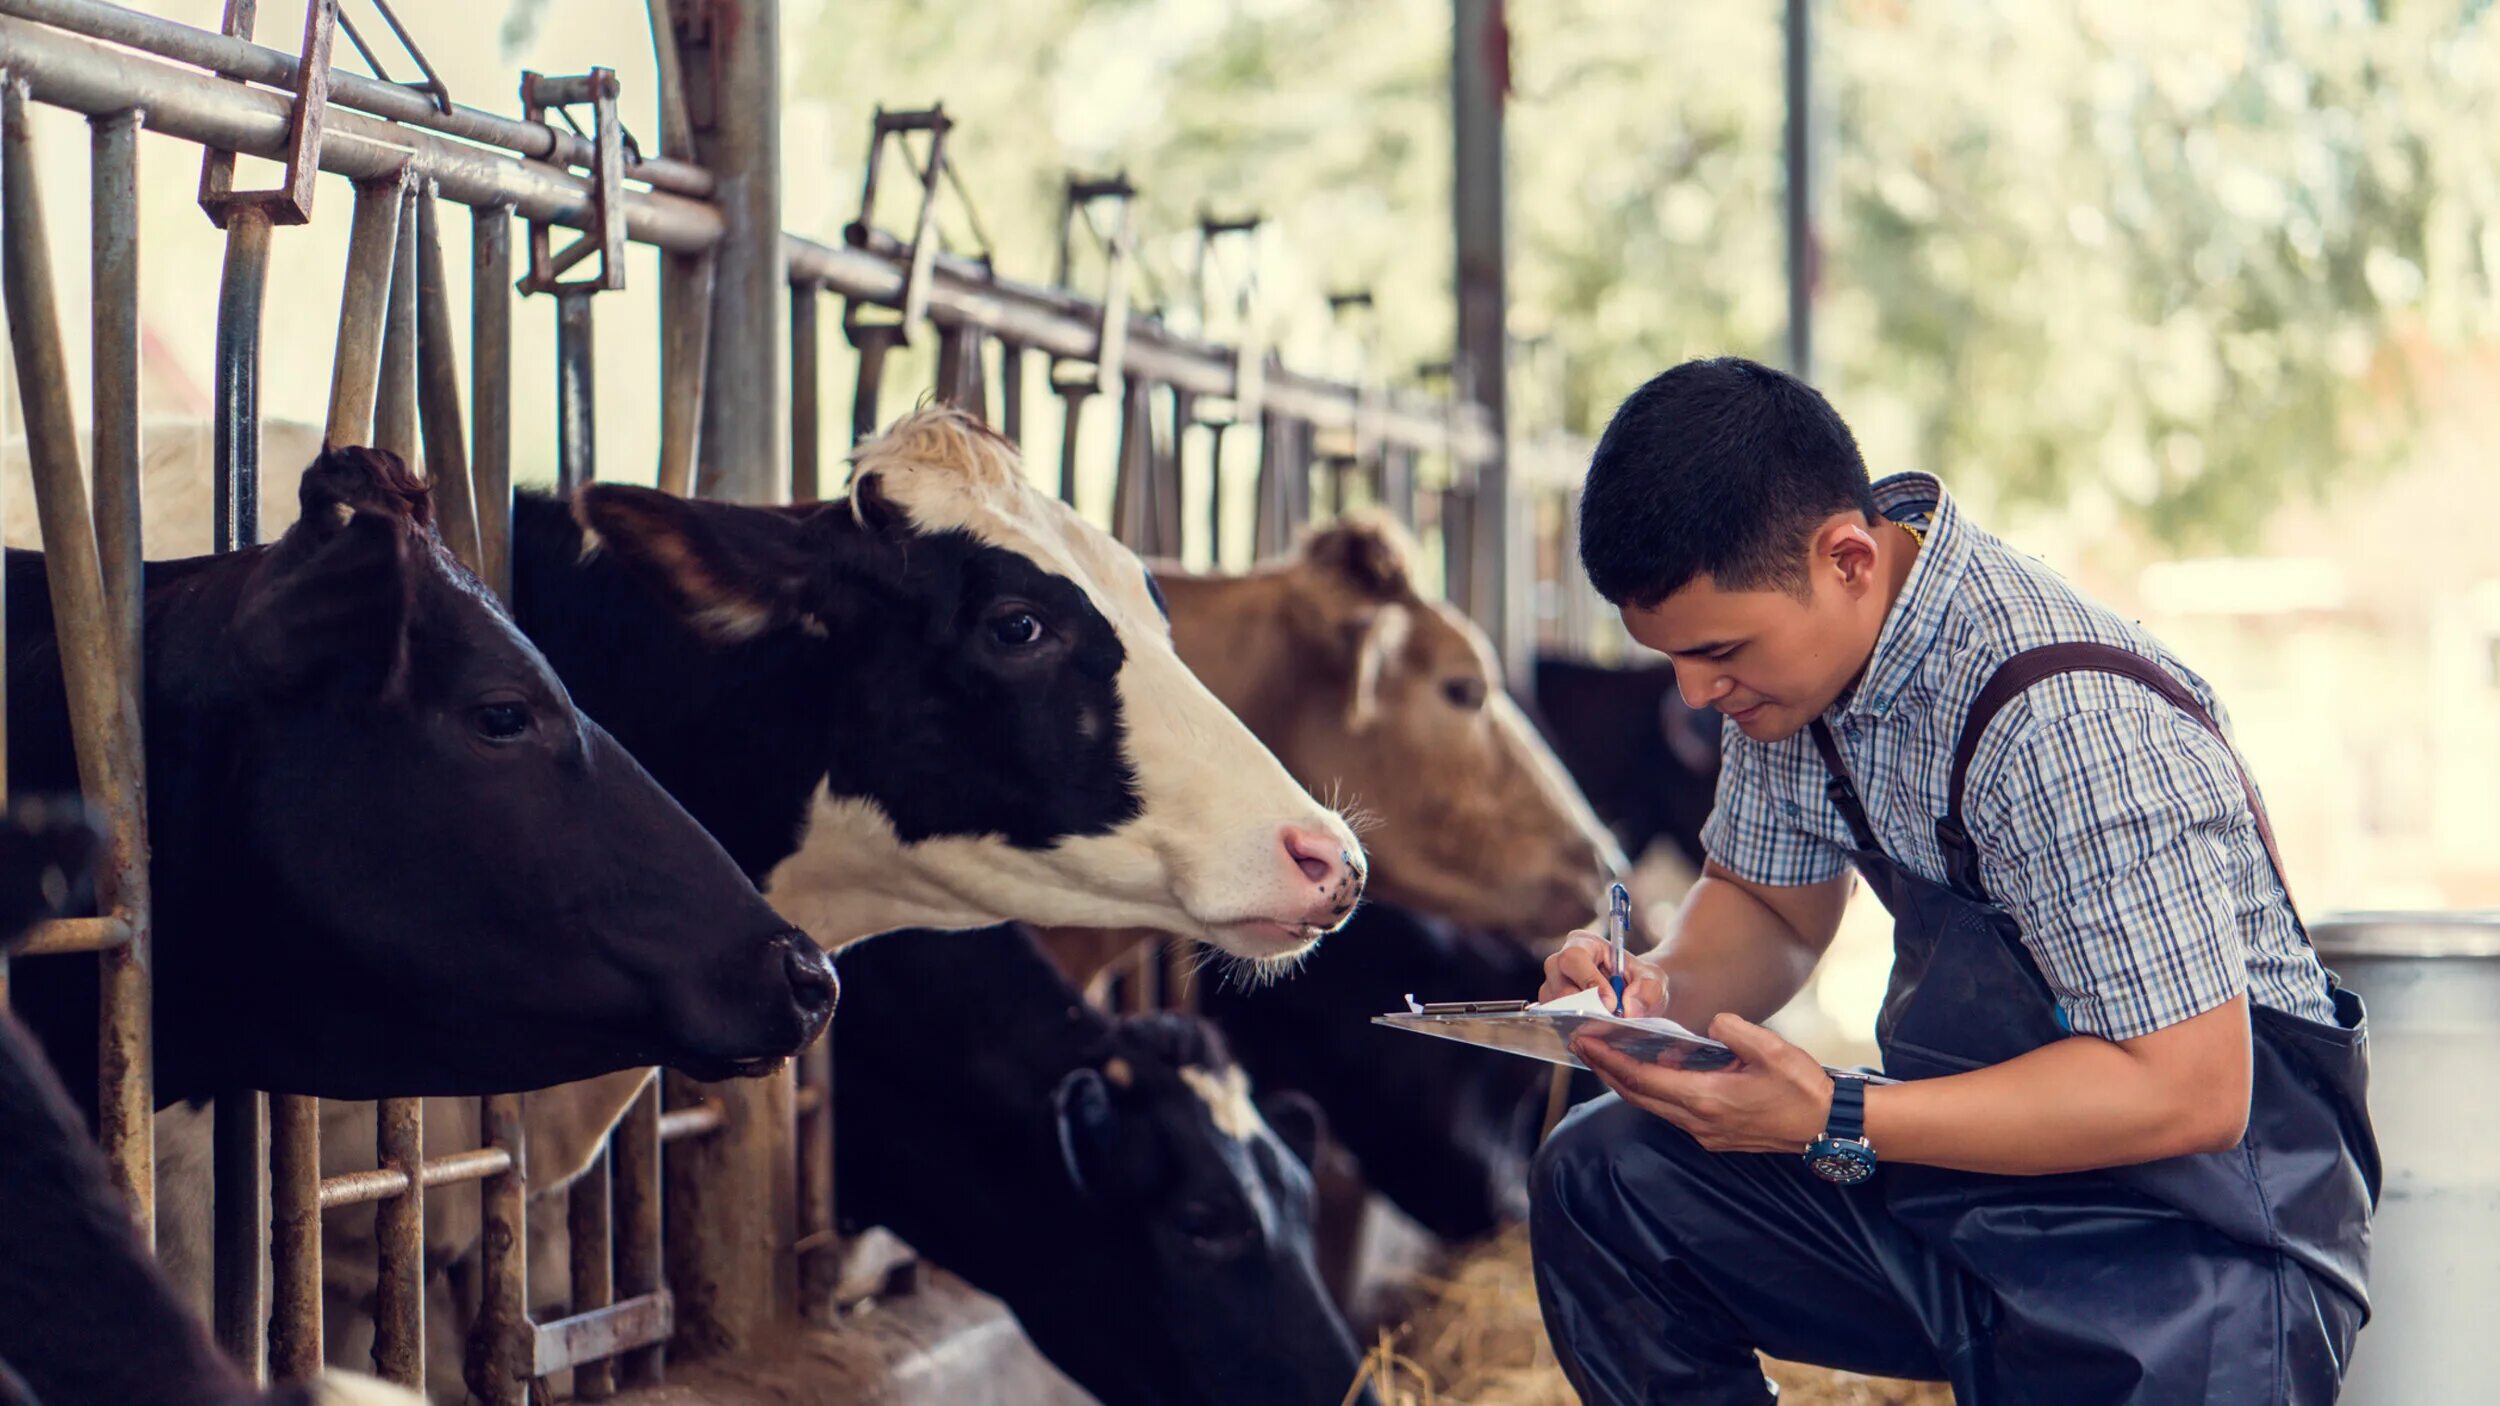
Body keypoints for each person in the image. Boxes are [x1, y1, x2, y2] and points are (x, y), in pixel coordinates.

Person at [1528, 357, 2377, 1405]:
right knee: (1605, 1172)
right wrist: (1652, 992)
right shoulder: (1792, 677)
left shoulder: (2061, 721)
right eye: (1673, 658)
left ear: (1845, 558)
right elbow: (1770, 908)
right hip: (1975, 1199)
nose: (1697, 693)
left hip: (2191, 1248)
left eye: (1717, 651)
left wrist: (1836, 1113)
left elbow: (2189, 1087)